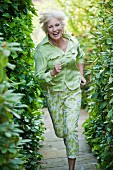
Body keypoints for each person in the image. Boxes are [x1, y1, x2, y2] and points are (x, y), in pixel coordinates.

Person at [34, 9, 86, 170]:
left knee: (71, 130)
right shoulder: (41, 50)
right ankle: (68, 141)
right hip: (54, 93)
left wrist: (81, 76)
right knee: (61, 132)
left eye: (57, 25)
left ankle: (72, 167)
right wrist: (52, 72)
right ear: (46, 29)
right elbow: (38, 76)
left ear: (62, 26)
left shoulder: (72, 42)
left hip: (73, 91)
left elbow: (80, 56)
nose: (55, 29)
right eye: (50, 27)